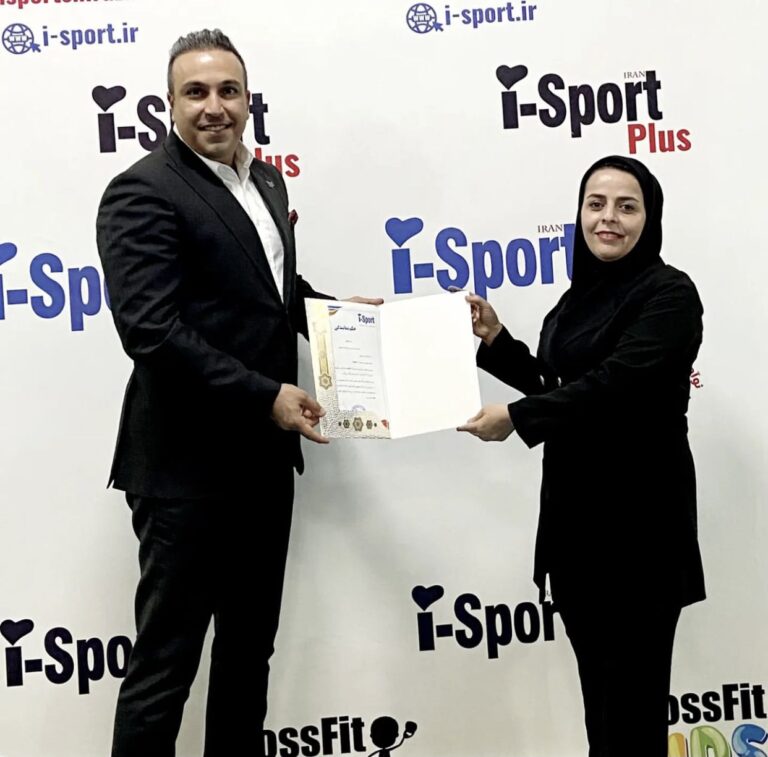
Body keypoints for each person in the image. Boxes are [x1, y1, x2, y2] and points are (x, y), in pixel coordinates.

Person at [96, 28, 380, 757]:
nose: (214, 106)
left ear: (249, 100)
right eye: (196, 92)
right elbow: (151, 331)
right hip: (184, 471)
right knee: (165, 667)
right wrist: (265, 395)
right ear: (169, 104)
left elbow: (268, 293)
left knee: (249, 654)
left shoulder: (267, 181)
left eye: (229, 90)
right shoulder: (142, 191)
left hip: (262, 465)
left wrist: (335, 320)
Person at [458, 155, 705, 757]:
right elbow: (558, 385)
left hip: (640, 538)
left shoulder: (670, 294)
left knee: (633, 720)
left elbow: (619, 385)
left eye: (626, 206)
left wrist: (517, 419)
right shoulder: (576, 300)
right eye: (595, 204)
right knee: (604, 717)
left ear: (649, 217)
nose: (608, 218)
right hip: (576, 536)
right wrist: (496, 341)